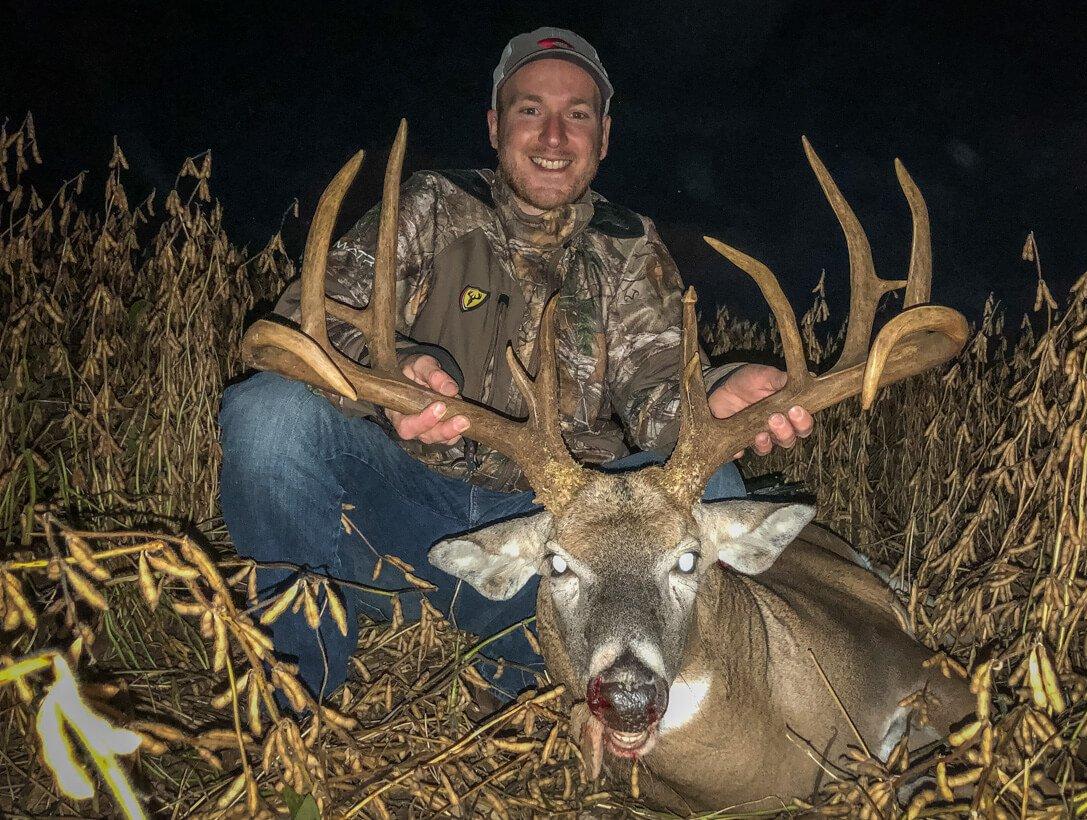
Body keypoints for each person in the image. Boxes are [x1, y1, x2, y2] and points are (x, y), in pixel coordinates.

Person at [219, 27, 813, 704]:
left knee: (718, 488)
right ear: (497, 125)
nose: (554, 137)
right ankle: (298, 701)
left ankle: (661, 704)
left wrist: (715, 398)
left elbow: (658, 394)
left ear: (604, 136)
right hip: (399, 516)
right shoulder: (431, 206)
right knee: (267, 413)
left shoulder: (628, 247)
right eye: (531, 110)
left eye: (577, 115)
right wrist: (386, 378)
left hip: (561, 540)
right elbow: (291, 332)